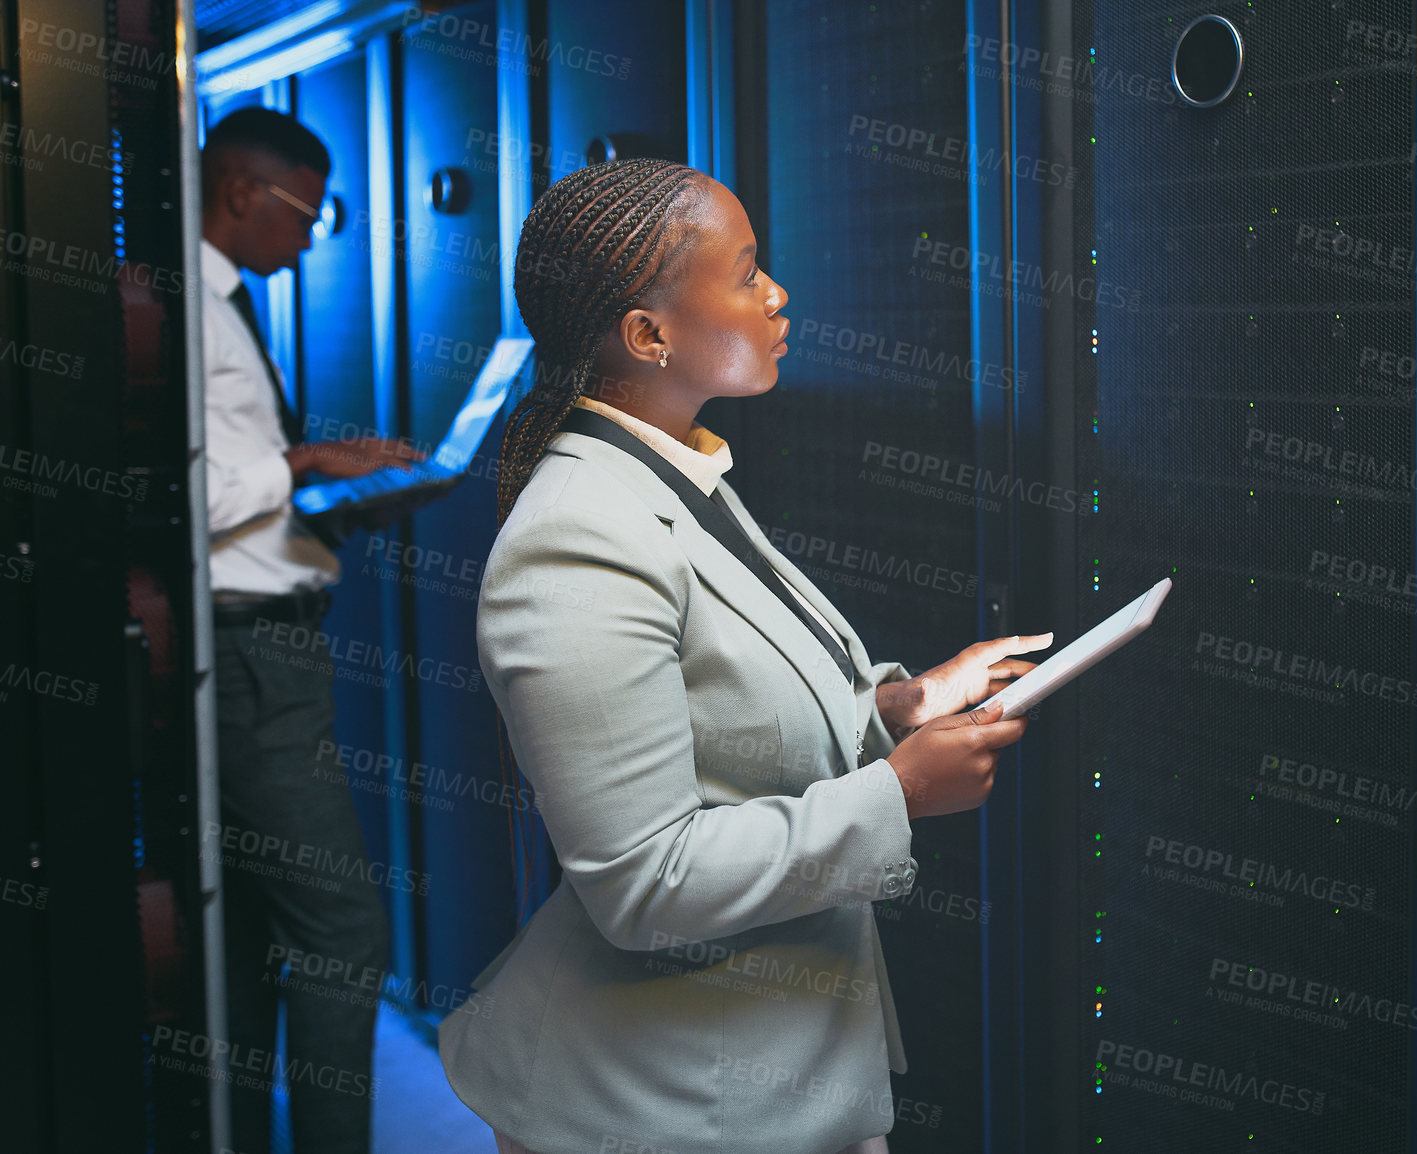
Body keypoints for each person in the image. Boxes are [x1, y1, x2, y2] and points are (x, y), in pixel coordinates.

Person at [438, 157, 1051, 1154]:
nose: (779, 295)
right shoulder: (577, 534)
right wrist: (896, 791)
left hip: (767, 1069)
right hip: (666, 1101)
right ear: (649, 334)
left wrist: (901, 704)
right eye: (747, 272)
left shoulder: (680, 472)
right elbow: (644, 880)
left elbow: (735, 721)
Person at [200, 106, 418, 1154]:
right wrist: (300, 466)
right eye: (307, 210)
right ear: (244, 189)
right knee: (343, 935)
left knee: (247, 934)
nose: (311, 233)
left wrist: (340, 493)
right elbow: (173, 496)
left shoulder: (227, 305)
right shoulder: (172, 311)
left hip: (264, 647)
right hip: (246, 658)